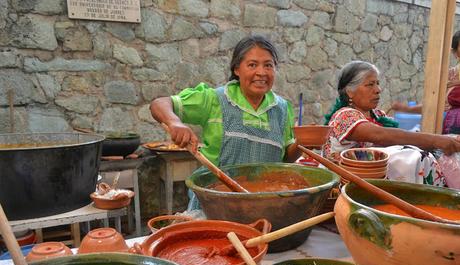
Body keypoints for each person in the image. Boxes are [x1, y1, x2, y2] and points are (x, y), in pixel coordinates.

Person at [150, 35, 301, 208]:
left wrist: (303, 143)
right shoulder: (216, 99)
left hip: (265, 204)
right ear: (237, 69)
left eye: (268, 65)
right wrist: (174, 122)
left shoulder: (281, 109)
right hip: (215, 204)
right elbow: (159, 104)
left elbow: (285, 159)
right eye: (252, 65)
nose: (261, 72)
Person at [323, 60, 460, 186]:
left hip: (375, 183)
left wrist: (445, 141)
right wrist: (435, 140)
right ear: (350, 92)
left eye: (377, 83)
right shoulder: (343, 116)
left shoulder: (378, 116)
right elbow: (381, 135)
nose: (378, 89)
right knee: (411, 157)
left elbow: (398, 140)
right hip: (347, 185)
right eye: (370, 84)